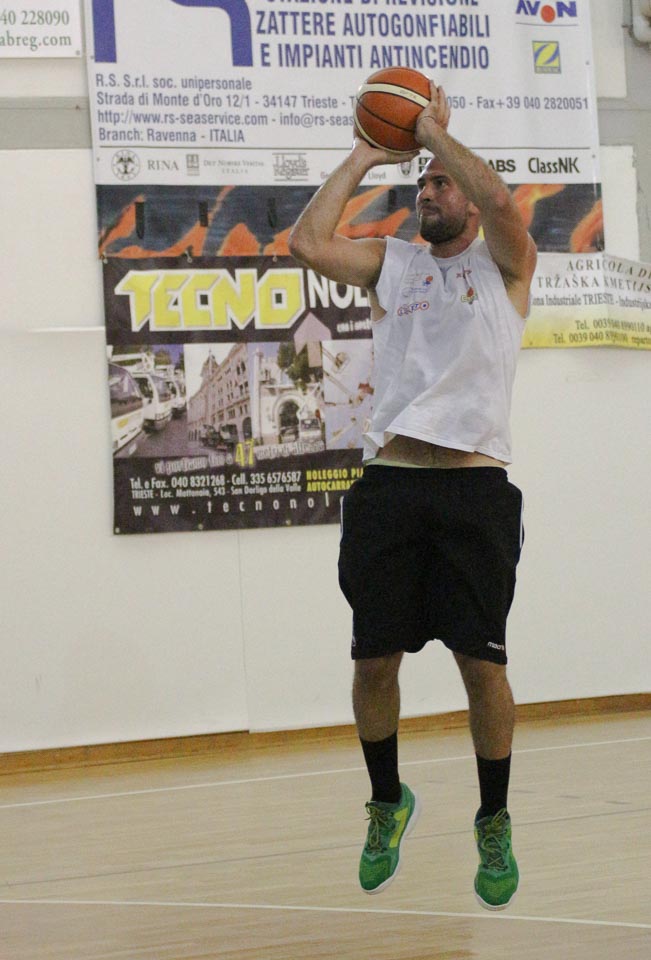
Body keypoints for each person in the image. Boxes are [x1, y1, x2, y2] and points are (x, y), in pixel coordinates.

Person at [287, 83, 537, 911]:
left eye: (439, 181)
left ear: (465, 194)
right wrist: (368, 151)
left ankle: (492, 819)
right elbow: (307, 242)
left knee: (481, 663)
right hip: (390, 484)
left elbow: (500, 200)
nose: (426, 189)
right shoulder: (393, 265)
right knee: (371, 659)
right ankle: (386, 802)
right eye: (421, 181)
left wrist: (429, 131)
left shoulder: (505, 265)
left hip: (474, 488)